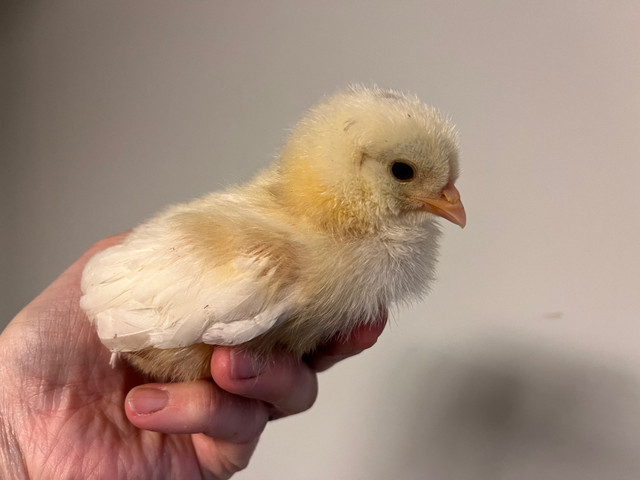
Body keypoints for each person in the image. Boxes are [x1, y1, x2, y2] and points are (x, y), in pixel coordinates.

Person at [0, 234, 386, 479]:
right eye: (404, 172)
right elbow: (114, 300)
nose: (449, 196)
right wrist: (11, 435)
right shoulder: (278, 257)